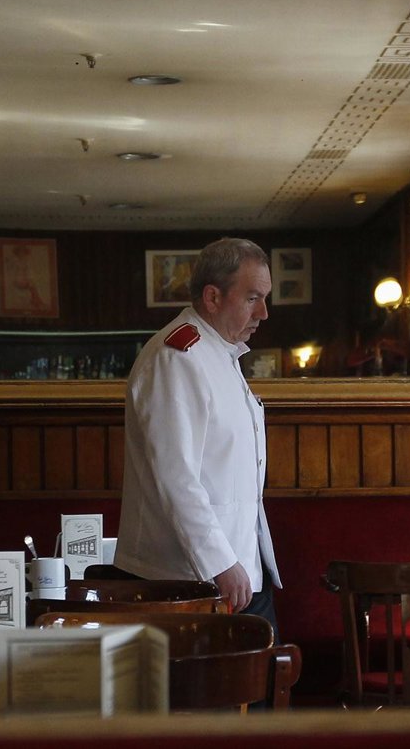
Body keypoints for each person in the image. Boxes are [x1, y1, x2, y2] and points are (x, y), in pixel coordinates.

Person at [115, 237, 281, 632]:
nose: (263, 313)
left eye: (265, 299)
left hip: (234, 570)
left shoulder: (219, 353)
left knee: (263, 669)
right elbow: (176, 477)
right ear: (212, 297)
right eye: (252, 298)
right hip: (188, 580)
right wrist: (220, 562)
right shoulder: (178, 357)